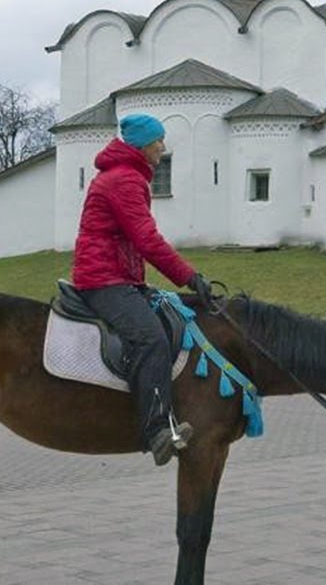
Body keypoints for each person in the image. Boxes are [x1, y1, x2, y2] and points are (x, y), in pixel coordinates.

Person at [72, 113, 213, 465]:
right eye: (158, 140)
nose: (163, 147)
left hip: (118, 276)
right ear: (140, 144)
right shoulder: (124, 180)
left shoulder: (125, 176)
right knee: (151, 338)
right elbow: (147, 240)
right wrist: (189, 277)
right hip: (103, 280)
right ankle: (157, 431)